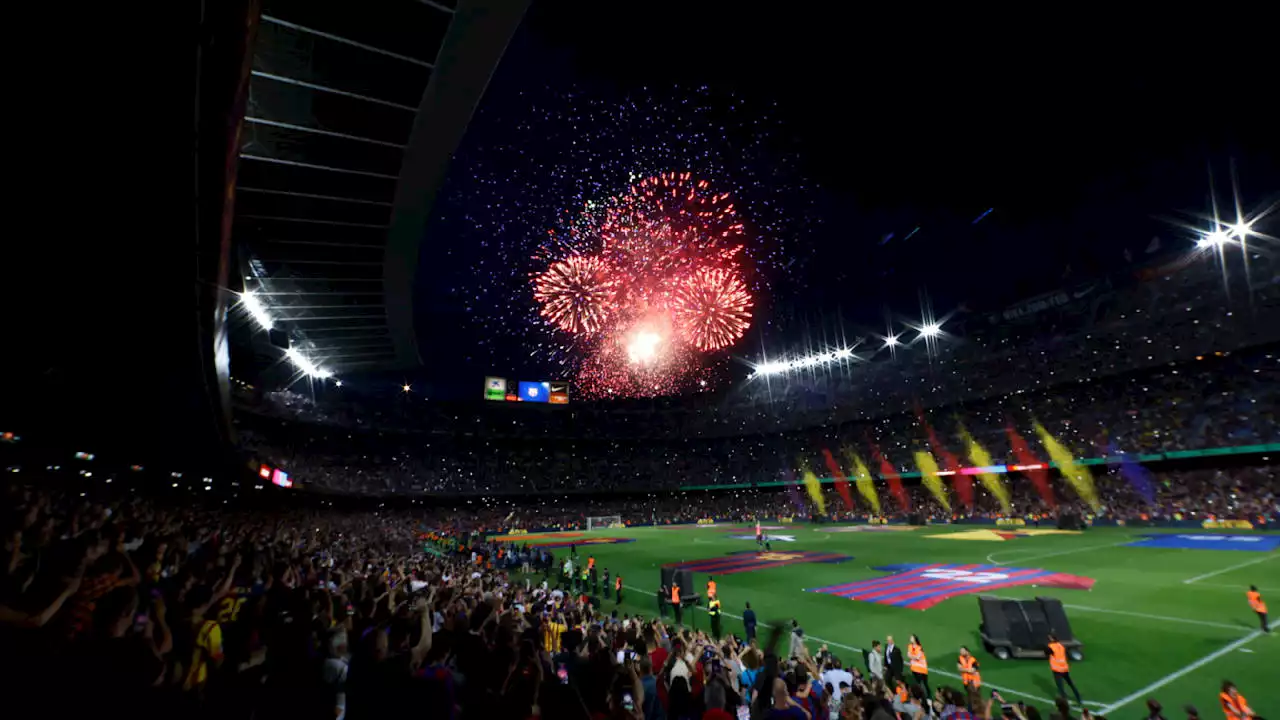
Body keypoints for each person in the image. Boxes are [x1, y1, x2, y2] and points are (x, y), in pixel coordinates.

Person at [1047, 632, 1083, 707]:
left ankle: (1064, 703)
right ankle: (1079, 698)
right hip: (1064, 668)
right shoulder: (1061, 646)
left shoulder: (1051, 646)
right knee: (1071, 684)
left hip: (1057, 669)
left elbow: (1047, 653)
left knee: (1060, 687)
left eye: (1049, 638)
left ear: (1052, 638)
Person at [907, 634, 930, 699]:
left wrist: (912, 656)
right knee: (918, 683)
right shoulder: (910, 646)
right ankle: (921, 696)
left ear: (915, 639)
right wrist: (913, 656)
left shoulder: (919, 647)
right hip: (914, 669)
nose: (910, 638)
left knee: (925, 683)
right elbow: (908, 655)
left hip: (922, 669)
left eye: (911, 637)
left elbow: (917, 657)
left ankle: (928, 695)